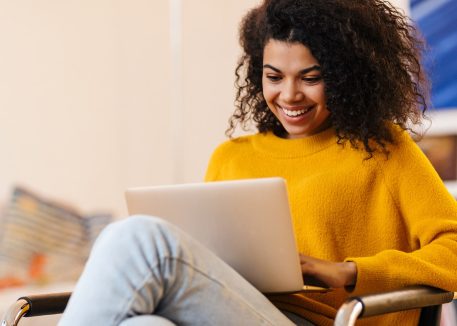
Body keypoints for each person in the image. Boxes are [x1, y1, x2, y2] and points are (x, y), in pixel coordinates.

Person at [59, 0, 457, 325]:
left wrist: (350, 272)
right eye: (274, 76)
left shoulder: (383, 149)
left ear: (346, 76)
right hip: (237, 309)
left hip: (325, 321)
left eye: (310, 77)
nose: (289, 94)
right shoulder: (231, 157)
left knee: (136, 238)